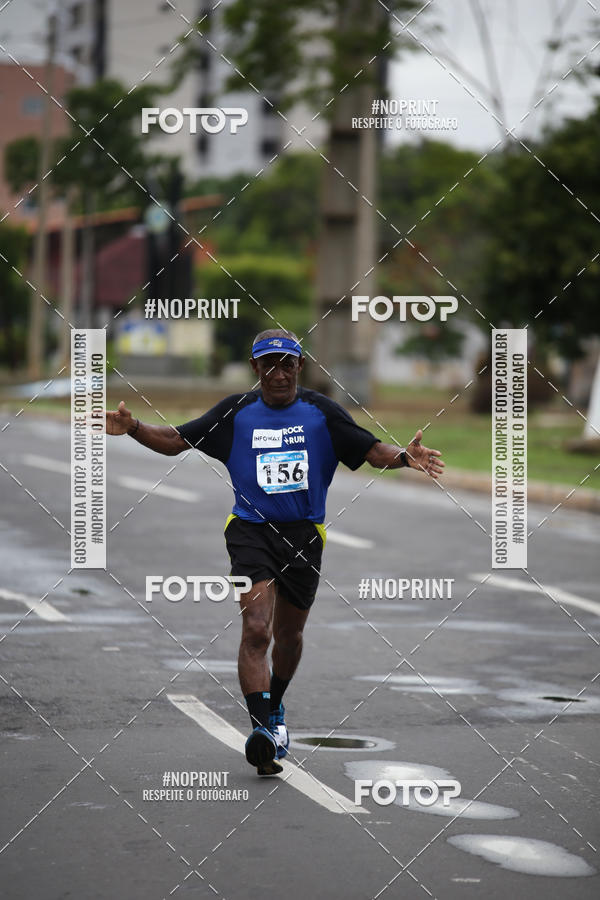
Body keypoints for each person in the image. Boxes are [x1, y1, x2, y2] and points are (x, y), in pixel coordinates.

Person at [106, 329, 444, 775]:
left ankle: (275, 709)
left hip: (304, 536)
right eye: (269, 364)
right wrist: (133, 428)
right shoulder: (236, 413)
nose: (279, 373)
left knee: (288, 637)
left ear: (299, 367)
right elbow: (175, 440)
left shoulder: (321, 413)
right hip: (250, 533)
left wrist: (404, 457)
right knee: (257, 630)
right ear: (255, 368)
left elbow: (370, 449)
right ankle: (262, 730)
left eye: (287, 364)